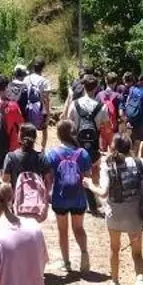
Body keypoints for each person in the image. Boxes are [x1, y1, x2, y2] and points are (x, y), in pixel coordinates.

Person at [93, 136, 143, 285]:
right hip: (135, 216)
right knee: (137, 253)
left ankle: (115, 282)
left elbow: (103, 193)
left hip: (114, 215)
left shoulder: (108, 165)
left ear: (113, 148)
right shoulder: (138, 162)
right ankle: (139, 280)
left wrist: (90, 185)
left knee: (114, 249)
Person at [44, 118, 94, 276]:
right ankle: (84, 253)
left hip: (60, 197)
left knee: (63, 230)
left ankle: (66, 263)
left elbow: (49, 178)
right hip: (78, 197)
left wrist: (47, 194)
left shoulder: (52, 154)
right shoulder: (82, 153)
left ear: (59, 134)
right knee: (79, 228)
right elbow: (88, 176)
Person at [3, 124, 52, 222]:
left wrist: (6, 202)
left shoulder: (11, 157)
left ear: (19, 137)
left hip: (17, 202)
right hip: (36, 203)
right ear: (35, 138)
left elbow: (5, 181)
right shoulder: (41, 157)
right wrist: (45, 199)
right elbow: (48, 181)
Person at [123, 72, 143, 162]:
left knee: (135, 142)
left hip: (132, 118)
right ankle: (142, 160)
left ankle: (133, 160)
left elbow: (127, 103)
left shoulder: (132, 89)